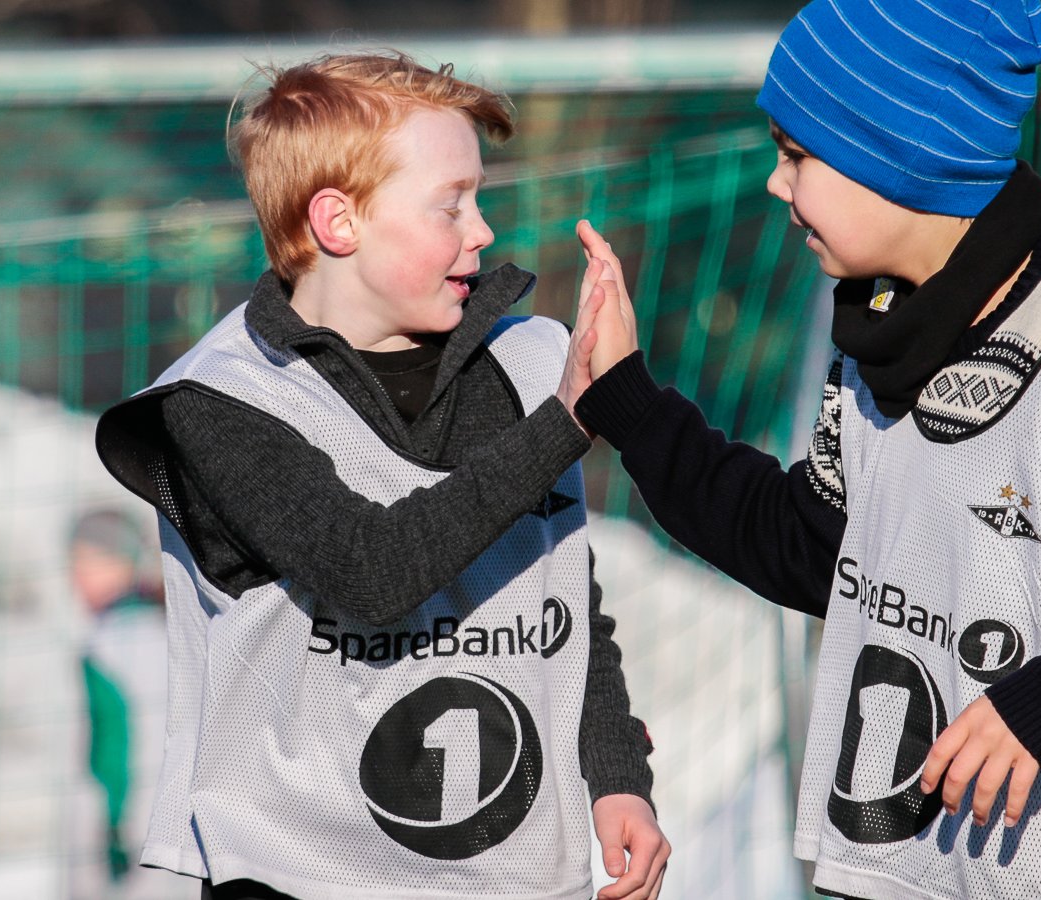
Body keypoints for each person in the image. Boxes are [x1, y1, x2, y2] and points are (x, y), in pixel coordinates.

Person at [568, 1, 1041, 898]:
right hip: (901, 875)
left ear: (901, 162)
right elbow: (809, 545)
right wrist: (628, 401)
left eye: (798, 157)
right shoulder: (873, 341)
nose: (776, 187)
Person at [94, 53, 668, 900]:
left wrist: (616, 771)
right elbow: (368, 568)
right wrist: (564, 425)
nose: (482, 232)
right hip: (297, 877)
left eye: (481, 199)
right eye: (451, 205)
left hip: (508, 876)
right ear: (339, 222)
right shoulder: (221, 399)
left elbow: (562, 602)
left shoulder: (529, 366)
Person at [68, 508, 177, 899]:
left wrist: (116, 832)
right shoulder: (167, 629)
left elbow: (120, 747)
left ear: (124, 561)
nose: (75, 577)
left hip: (128, 843)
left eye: (87, 561)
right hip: (167, 838)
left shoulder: (116, 643)